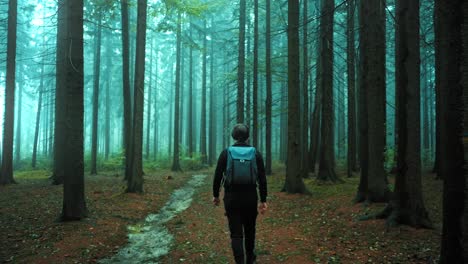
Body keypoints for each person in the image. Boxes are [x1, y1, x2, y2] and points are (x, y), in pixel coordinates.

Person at [212, 124, 268, 264]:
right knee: (250, 231)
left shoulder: (226, 152)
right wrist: (263, 200)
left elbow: (218, 175)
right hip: (250, 197)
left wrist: (216, 196)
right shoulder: (255, 153)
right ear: (247, 136)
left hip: (232, 198)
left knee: (236, 234)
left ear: (233, 136)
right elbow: (262, 178)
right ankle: (250, 259)